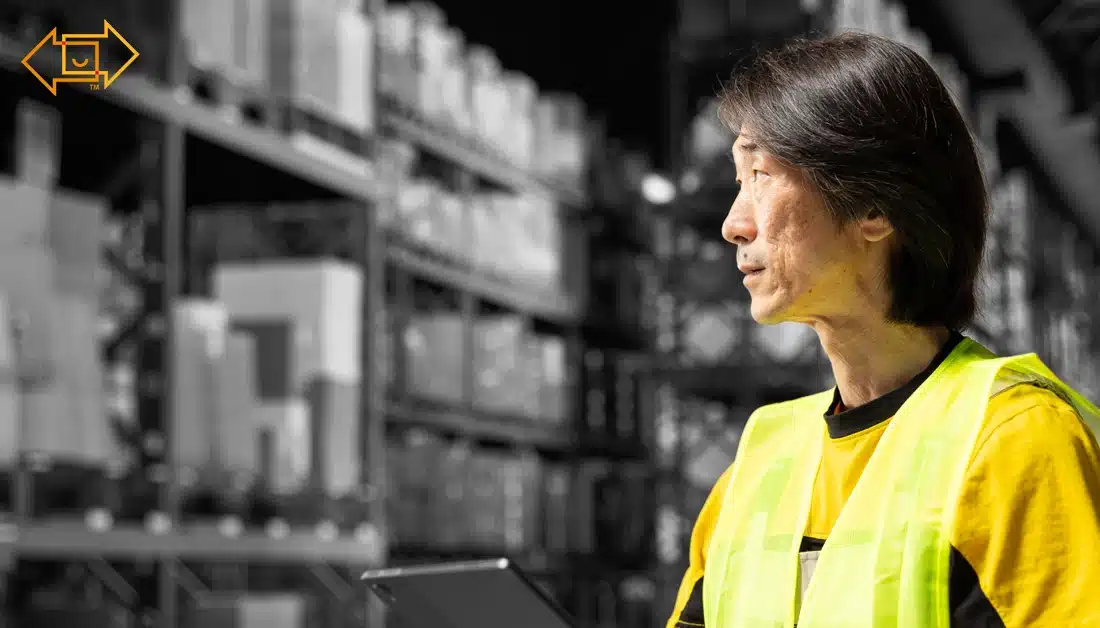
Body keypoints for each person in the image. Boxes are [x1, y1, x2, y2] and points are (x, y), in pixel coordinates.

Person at [666, 32, 1100, 628]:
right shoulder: (761, 459)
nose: (733, 225)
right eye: (738, 181)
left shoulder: (1015, 441)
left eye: (760, 174)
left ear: (874, 208)